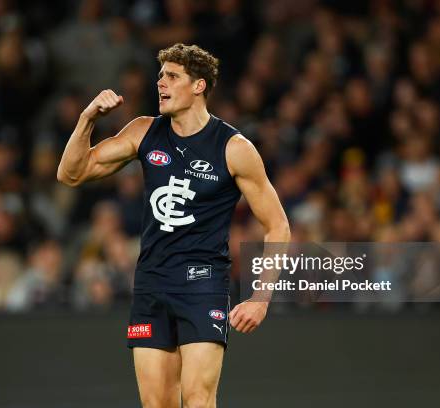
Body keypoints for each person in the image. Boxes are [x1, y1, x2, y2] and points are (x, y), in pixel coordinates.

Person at [57, 43, 290, 408]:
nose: (160, 83)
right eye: (160, 75)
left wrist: (261, 298)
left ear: (198, 86)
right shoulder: (143, 132)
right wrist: (87, 119)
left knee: (198, 399)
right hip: (151, 282)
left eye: (172, 76)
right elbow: (71, 173)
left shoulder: (233, 147)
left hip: (203, 284)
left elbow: (278, 226)